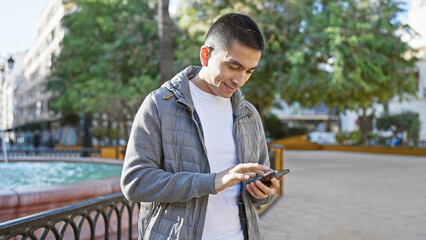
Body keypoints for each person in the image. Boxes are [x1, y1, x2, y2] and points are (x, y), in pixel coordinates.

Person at [121, 13, 283, 240]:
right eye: (233, 66)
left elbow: (256, 191)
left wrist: (265, 192)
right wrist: (213, 181)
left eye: (249, 71)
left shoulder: (249, 114)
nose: (240, 80)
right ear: (205, 55)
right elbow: (135, 182)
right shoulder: (159, 105)